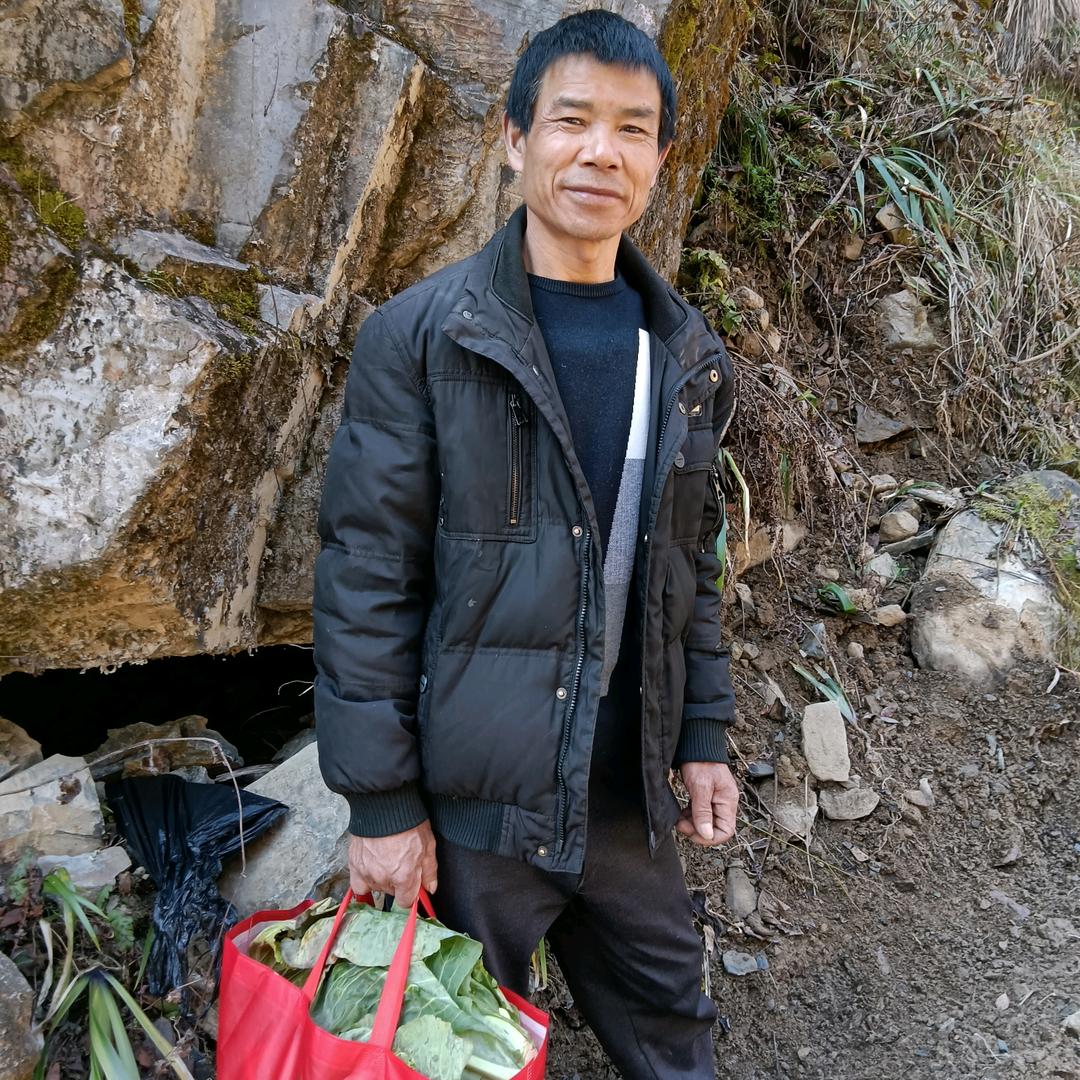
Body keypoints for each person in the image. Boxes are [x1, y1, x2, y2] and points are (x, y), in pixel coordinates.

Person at [312, 10, 739, 1076]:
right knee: (445, 1053)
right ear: (516, 137)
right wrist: (381, 803)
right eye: (572, 120)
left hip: (621, 798)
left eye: (632, 129)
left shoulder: (680, 353)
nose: (601, 151)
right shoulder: (423, 336)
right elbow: (367, 574)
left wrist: (703, 736)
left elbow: (693, 570)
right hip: (474, 814)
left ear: (659, 159)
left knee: (673, 1030)